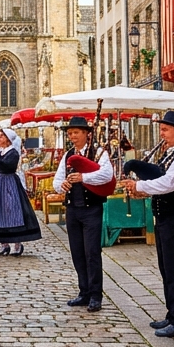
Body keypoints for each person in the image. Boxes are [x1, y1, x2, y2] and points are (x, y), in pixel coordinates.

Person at [126, 110, 174, 338]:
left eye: (165, 129)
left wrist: (139, 187)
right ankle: (172, 314)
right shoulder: (171, 153)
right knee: (165, 268)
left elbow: (169, 183)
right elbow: (159, 177)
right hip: (164, 217)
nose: (162, 133)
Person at [53, 116, 113, 312]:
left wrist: (83, 177)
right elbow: (57, 180)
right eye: (70, 133)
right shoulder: (68, 155)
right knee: (77, 252)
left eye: (76, 132)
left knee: (92, 252)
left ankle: (96, 294)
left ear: (86, 134)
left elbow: (107, 175)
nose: (72, 136)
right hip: (73, 209)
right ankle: (84, 291)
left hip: (91, 209)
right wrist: (61, 186)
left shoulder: (98, 153)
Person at [0, 127, 42, 256]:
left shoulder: (13, 153)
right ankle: (3, 244)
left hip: (9, 183)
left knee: (13, 210)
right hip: (0, 183)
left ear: (7, 140)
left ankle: (17, 244)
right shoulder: (2, 152)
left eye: (1, 136)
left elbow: (5, 165)